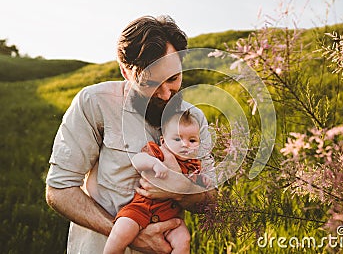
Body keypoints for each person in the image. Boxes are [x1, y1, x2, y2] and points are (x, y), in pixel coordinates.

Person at [45, 15, 216, 254]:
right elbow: (59, 190)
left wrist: (179, 190)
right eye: (152, 83)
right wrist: (126, 235)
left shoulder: (194, 118)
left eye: (174, 79)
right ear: (126, 72)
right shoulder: (95, 102)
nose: (167, 94)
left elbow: (210, 201)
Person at [104, 110, 213, 254]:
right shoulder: (158, 152)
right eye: (177, 139)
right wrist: (154, 164)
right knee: (122, 230)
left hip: (170, 216)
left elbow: (194, 185)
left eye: (192, 140)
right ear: (163, 141)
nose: (185, 145)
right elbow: (137, 160)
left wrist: (203, 180)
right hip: (141, 208)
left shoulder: (194, 165)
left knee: (184, 240)